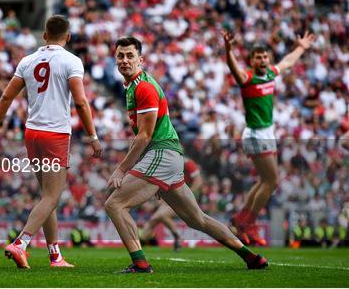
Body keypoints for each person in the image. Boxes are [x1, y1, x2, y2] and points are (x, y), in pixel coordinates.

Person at [104, 36, 267, 273]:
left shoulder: (144, 88)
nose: (125, 60)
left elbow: (145, 136)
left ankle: (140, 263)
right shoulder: (135, 86)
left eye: (130, 56)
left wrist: (122, 168)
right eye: (120, 56)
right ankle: (251, 257)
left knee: (115, 204)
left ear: (141, 60)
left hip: (161, 153)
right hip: (167, 157)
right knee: (197, 219)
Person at [0, 15, 102, 269]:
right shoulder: (71, 61)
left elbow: (6, 97)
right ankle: (20, 243)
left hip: (32, 133)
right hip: (55, 134)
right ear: (68, 37)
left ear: (44, 35)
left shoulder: (28, 61)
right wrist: (92, 137)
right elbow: (80, 102)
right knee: (51, 197)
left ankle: (55, 255)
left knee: (47, 197)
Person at [222, 30, 315, 246]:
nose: (263, 60)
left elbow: (287, 62)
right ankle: (249, 222)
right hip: (256, 134)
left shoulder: (271, 73)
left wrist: (301, 47)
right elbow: (233, 68)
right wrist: (228, 49)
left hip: (266, 133)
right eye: (258, 57)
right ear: (252, 61)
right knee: (272, 181)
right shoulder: (248, 78)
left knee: (266, 181)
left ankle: (241, 219)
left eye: (265, 57)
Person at [140, 158, 203, 251]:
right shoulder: (170, 164)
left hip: (185, 199)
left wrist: (187, 194)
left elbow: (199, 181)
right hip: (173, 197)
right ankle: (140, 243)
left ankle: (178, 237)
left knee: (161, 215)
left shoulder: (188, 163)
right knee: (154, 219)